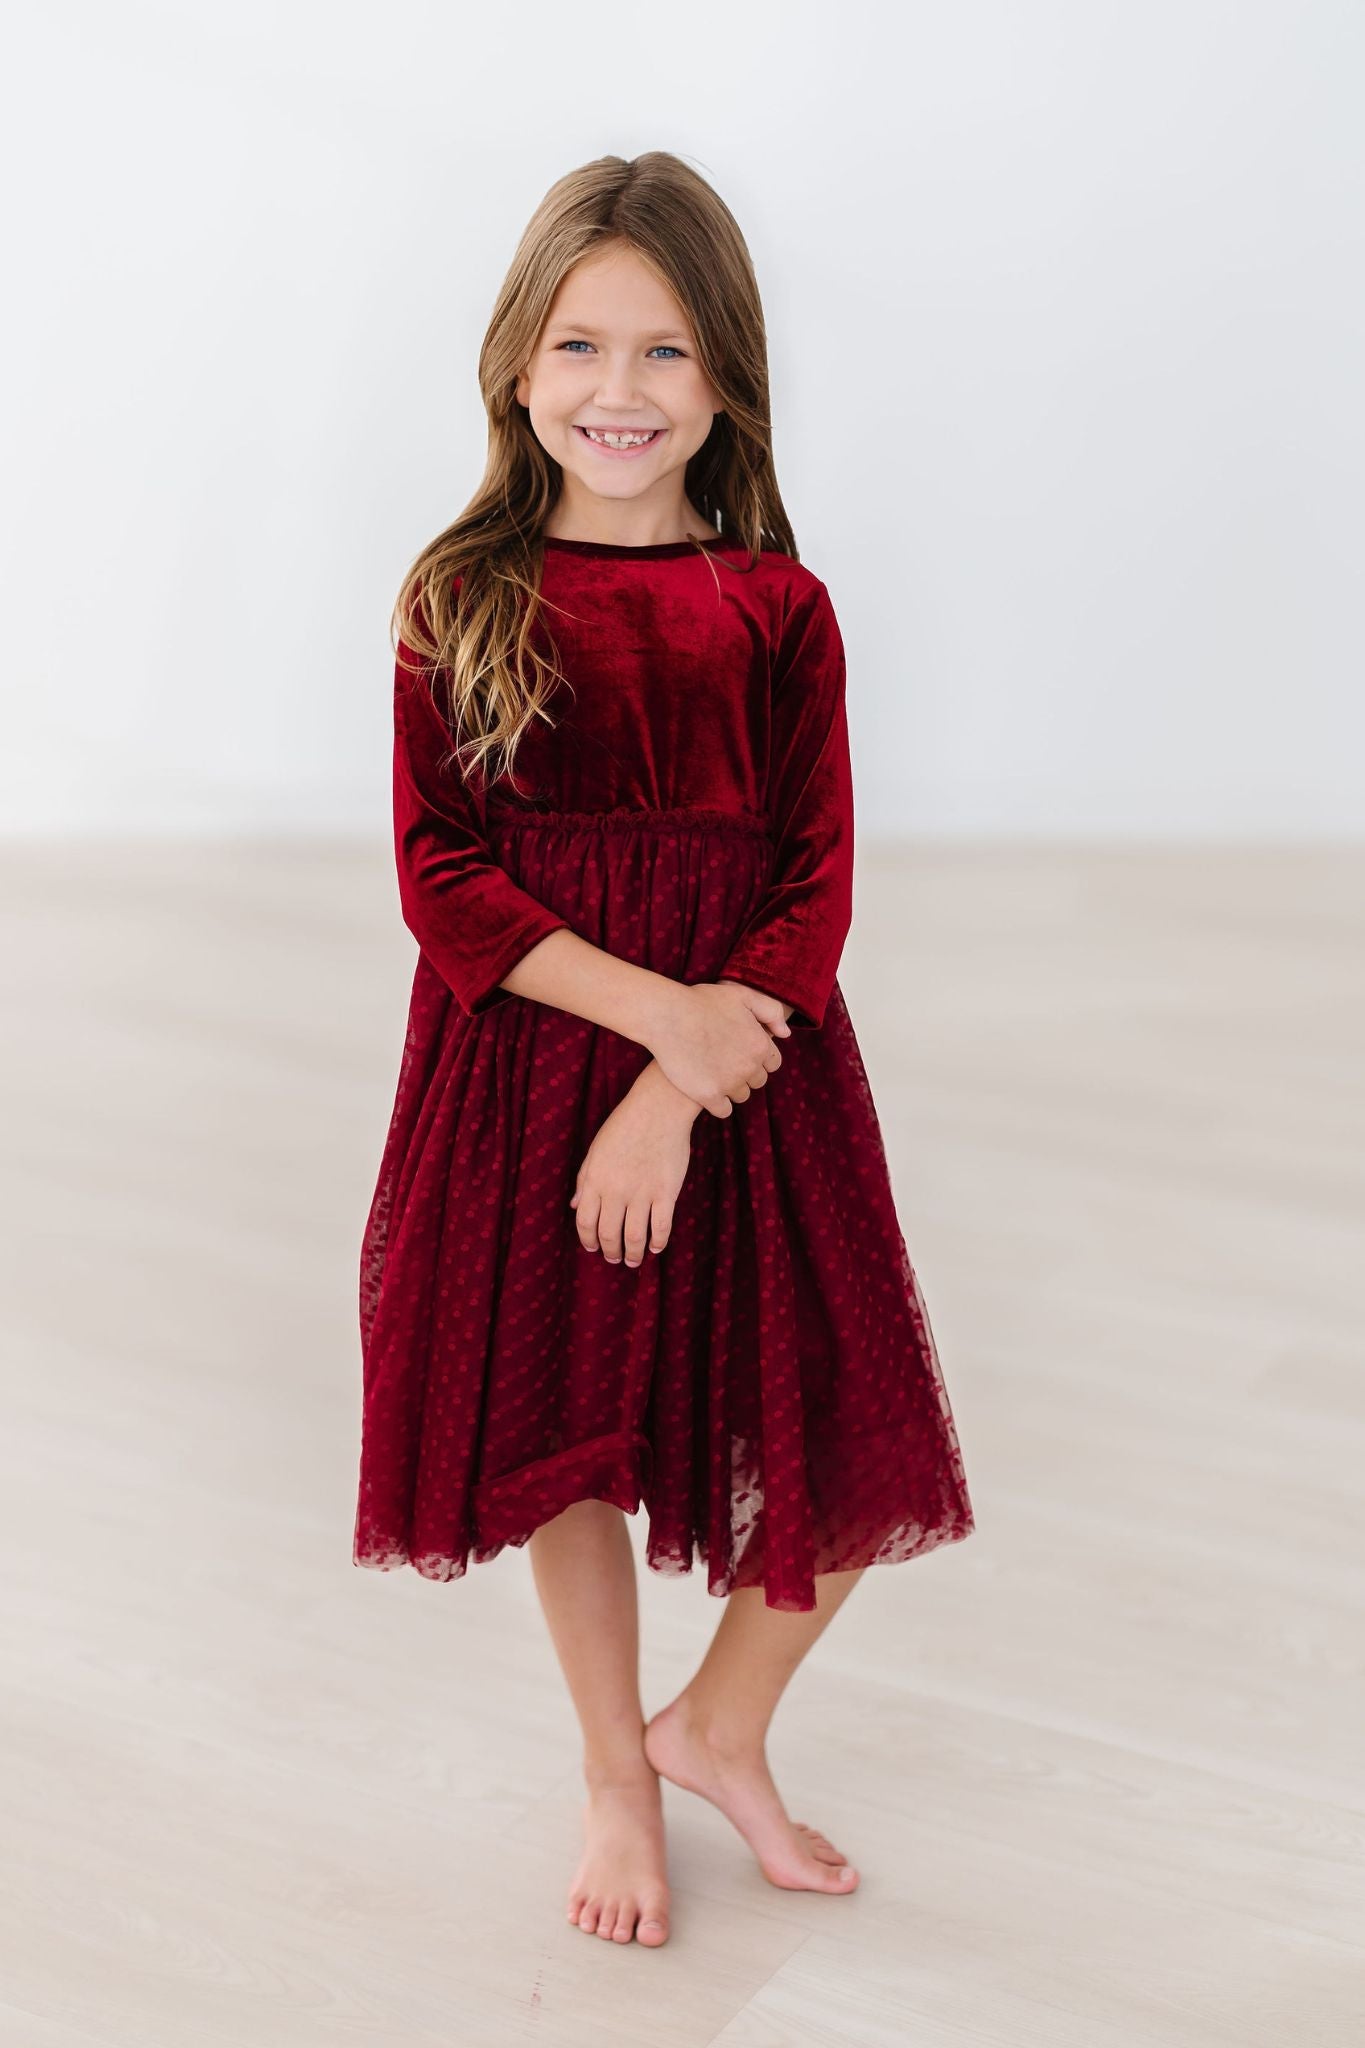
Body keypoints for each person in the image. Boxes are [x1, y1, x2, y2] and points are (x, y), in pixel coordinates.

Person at [353, 150, 975, 1948]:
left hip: (752, 1083)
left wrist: (678, 1090)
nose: (617, 391)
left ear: (724, 381)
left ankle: (712, 1728)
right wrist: (652, 1024)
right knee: (561, 1433)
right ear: (516, 366)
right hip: (528, 1068)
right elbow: (441, 877)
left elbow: (812, 884)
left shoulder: (777, 608)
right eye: (580, 346)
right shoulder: (461, 594)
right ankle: (613, 1773)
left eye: (664, 352)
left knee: (857, 1435)